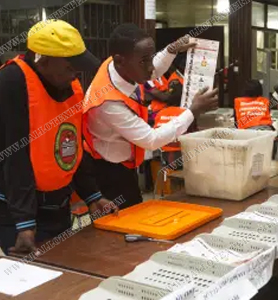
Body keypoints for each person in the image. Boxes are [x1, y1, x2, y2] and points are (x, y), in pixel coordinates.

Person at [0, 20, 116, 255]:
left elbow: (73, 144)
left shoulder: (69, 84)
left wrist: (92, 195)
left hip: (59, 207)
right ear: (42, 60)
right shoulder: (11, 82)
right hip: (18, 213)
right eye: (69, 67)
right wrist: (24, 223)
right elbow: (14, 155)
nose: (75, 74)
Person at [82, 24, 218, 209]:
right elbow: (151, 140)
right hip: (108, 173)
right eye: (143, 61)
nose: (150, 68)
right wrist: (192, 111)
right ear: (120, 60)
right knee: (119, 226)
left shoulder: (117, 66)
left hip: (124, 166)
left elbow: (152, 70)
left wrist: (171, 50)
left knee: (135, 214)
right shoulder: (107, 103)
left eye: (151, 58)